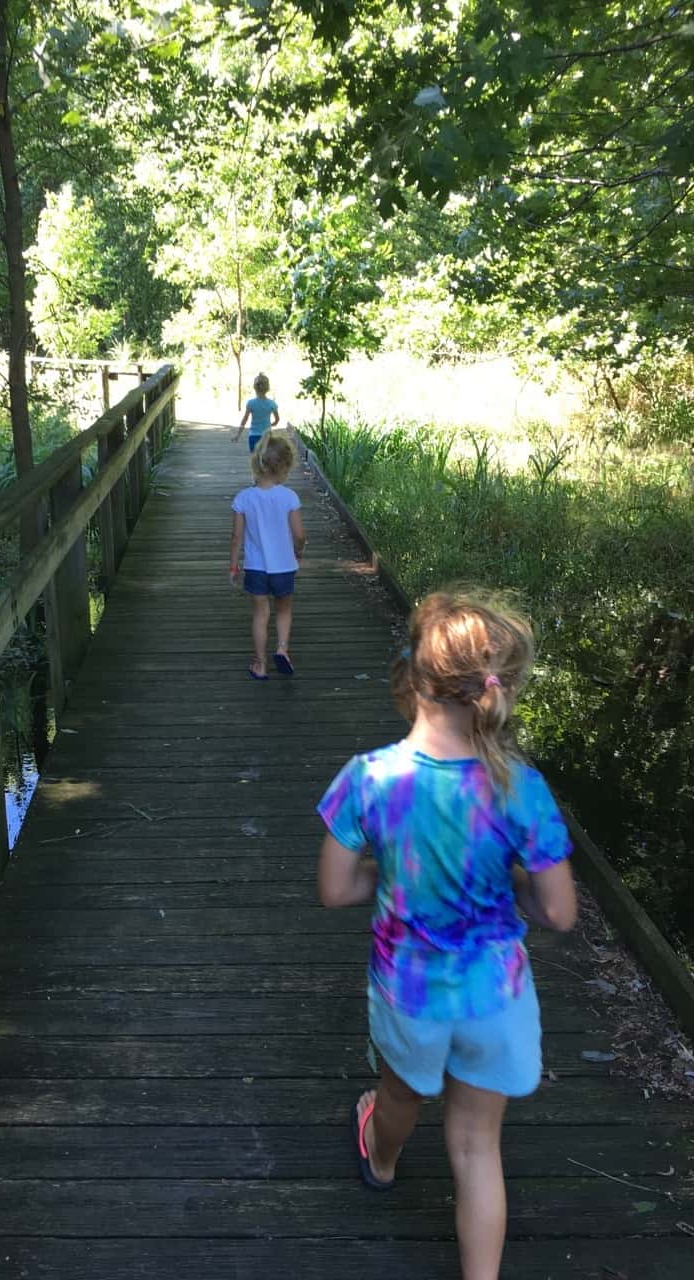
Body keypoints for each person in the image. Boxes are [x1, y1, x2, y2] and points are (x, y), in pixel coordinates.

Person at [315, 589, 577, 1280]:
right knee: (475, 1144)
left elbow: (336, 889)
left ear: (414, 676)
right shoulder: (522, 787)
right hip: (496, 995)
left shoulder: (369, 779)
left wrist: (395, 875)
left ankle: (382, 1158)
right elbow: (558, 912)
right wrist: (509, 886)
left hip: (410, 992)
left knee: (400, 1094)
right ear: (496, 689)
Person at [229, 434, 306, 680]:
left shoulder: (243, 498)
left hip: (256, 568)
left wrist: (233, 567)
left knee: (260, 615)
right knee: (284, 610)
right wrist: (298, 550)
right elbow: (300, 534)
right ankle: (282, 650)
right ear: (284, 467)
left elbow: (236, 538)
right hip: (283, 567)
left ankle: (260, 664)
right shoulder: (289, 497)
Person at [233, 372, 280, 452]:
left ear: (255, 387)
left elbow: (244, 420)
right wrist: (271, 424)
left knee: (255, 461)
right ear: (267, 388)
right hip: (267, 437)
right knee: (266, 460)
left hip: (253, 436)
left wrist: (238, 435)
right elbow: (277, 420)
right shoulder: (272, 404)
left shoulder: (251, 403)